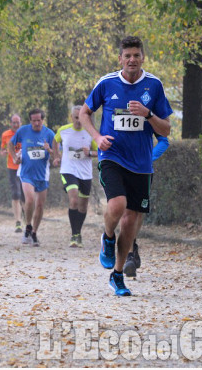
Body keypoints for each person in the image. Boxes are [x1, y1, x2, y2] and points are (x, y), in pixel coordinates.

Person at [80, 35, 172, 296]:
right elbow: (85, 113)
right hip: (112, 155)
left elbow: (166, 129)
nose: (132, 60)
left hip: (141, 163)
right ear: (120, 59)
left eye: (136, 55)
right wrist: (97, 137)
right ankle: (107, 237)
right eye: (127, 55)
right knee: (117, 205)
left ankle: (117, 275)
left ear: (143, 57)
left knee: (131, 222)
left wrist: (148, 114)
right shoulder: (107, 83)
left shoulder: (154, 86)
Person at [123, 134, 170, 277]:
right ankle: (129, 255)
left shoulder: (148, 113)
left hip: (143, 170)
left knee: (138, 212)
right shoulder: (115, 112)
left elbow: (164, 141)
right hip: (121, 167)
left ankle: (133, 242)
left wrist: (149, 158)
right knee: (127, 212)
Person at [8, 109, 55, 247]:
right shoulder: (23, 131)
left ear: (42, 120)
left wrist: (49, 150)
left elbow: (57, 156)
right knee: (29, 199)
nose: (36, 123)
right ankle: (28, 225)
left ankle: (34, 232)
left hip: (42, 174)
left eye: (39, 120)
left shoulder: (49, 134)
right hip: (26, 173)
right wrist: (14, 157)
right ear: (30, 121)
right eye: (33, 120)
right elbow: (10, 144)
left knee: (40, 205)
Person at [52, 106, 98, 248]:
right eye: (76, 117)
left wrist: (89, 153)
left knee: (83, 206)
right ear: (71, 117)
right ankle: (74, 234)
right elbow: (55, 141)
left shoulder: (91, 132)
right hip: (68, 170)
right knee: (73, 200)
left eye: (81, 117)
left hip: (85, 173)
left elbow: (99, 152)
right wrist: (56, 156)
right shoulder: (64, 130)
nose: (79, 120)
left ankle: (78, 232)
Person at [1, 114, 25, 233]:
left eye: (18, 122)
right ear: (11, 123)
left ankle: (27, 217)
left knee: (25, 194)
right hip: (12, 167)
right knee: (16, 193)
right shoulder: (5, 135)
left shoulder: (25, 133)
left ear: (21, 123)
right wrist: (4, 152)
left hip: (25, 167)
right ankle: (18, 221)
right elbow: (3, 149)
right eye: (14, 123)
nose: (16, 125)